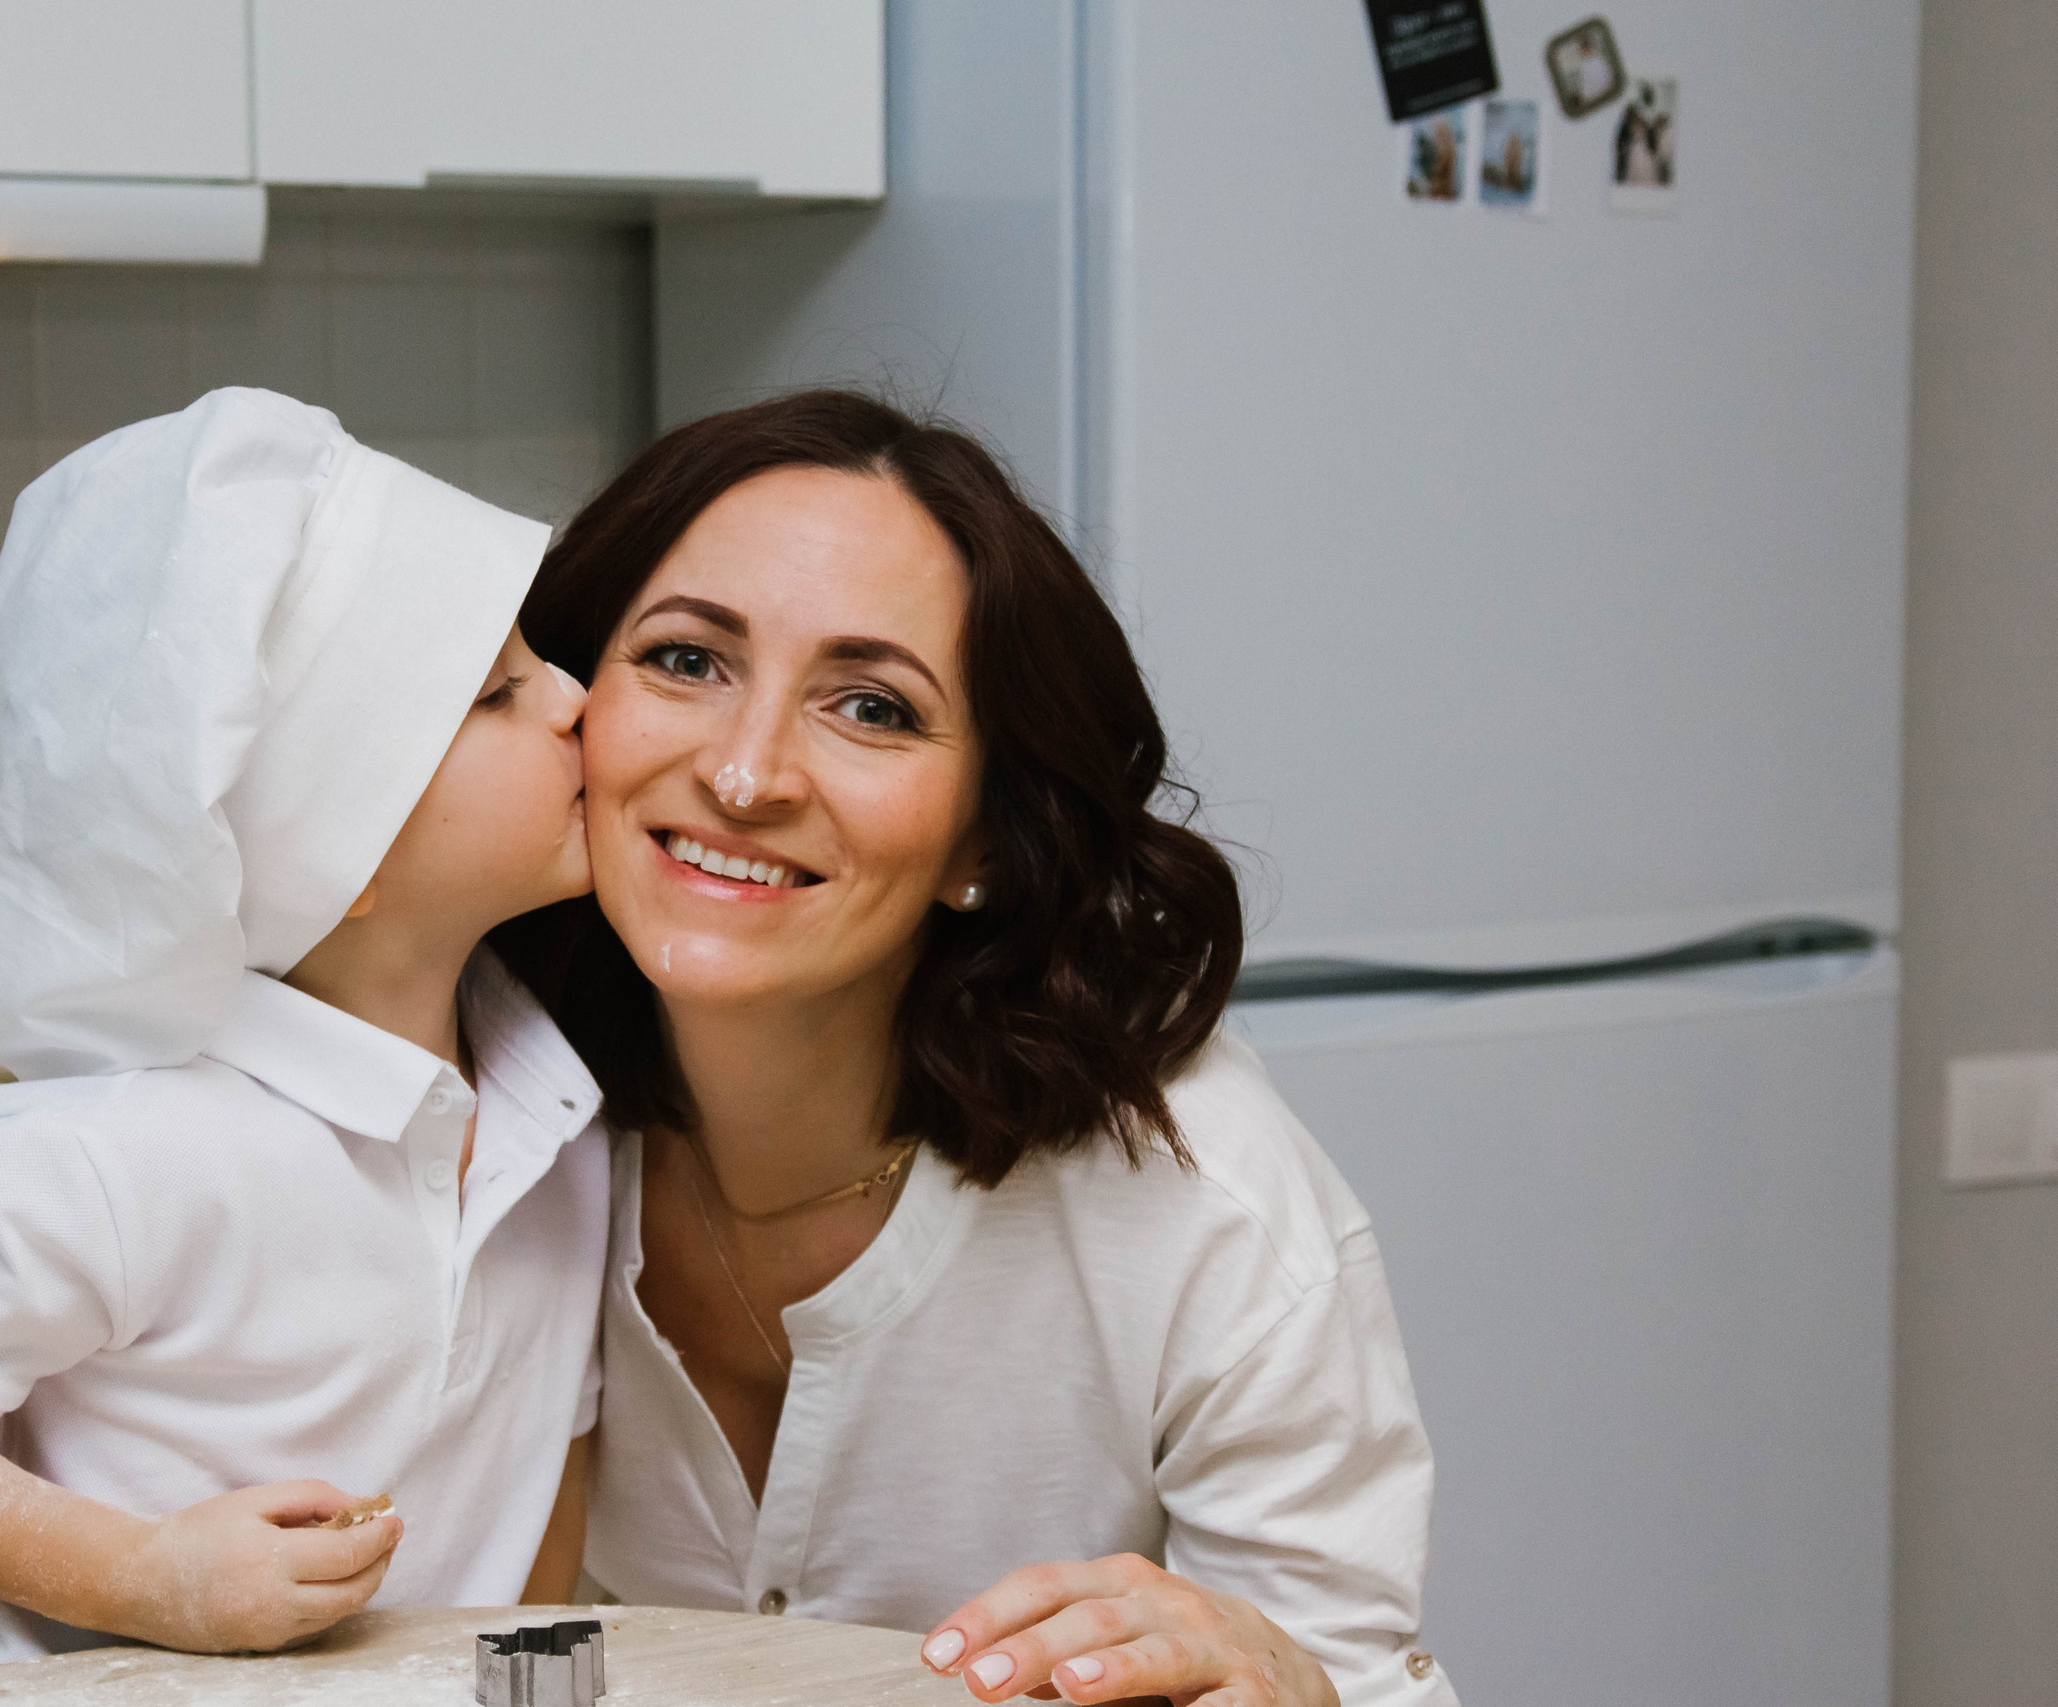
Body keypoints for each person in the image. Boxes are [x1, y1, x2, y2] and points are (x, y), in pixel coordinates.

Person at [492, 391, 1456, 1707]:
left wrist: (1293, 1689)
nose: (746, 773)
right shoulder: (474, 1122)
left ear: (987, 841)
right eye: (687, 661)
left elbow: (1353, 1677)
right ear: (565, 706)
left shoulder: (1205, 1208)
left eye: (873, 708)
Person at [0, 389, 609, 1684]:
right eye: (498, 694)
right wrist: (143, 1578)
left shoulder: (560, 1127)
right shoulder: (121, 1154)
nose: (578, 700)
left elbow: (540, 1482)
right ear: (336, 844)